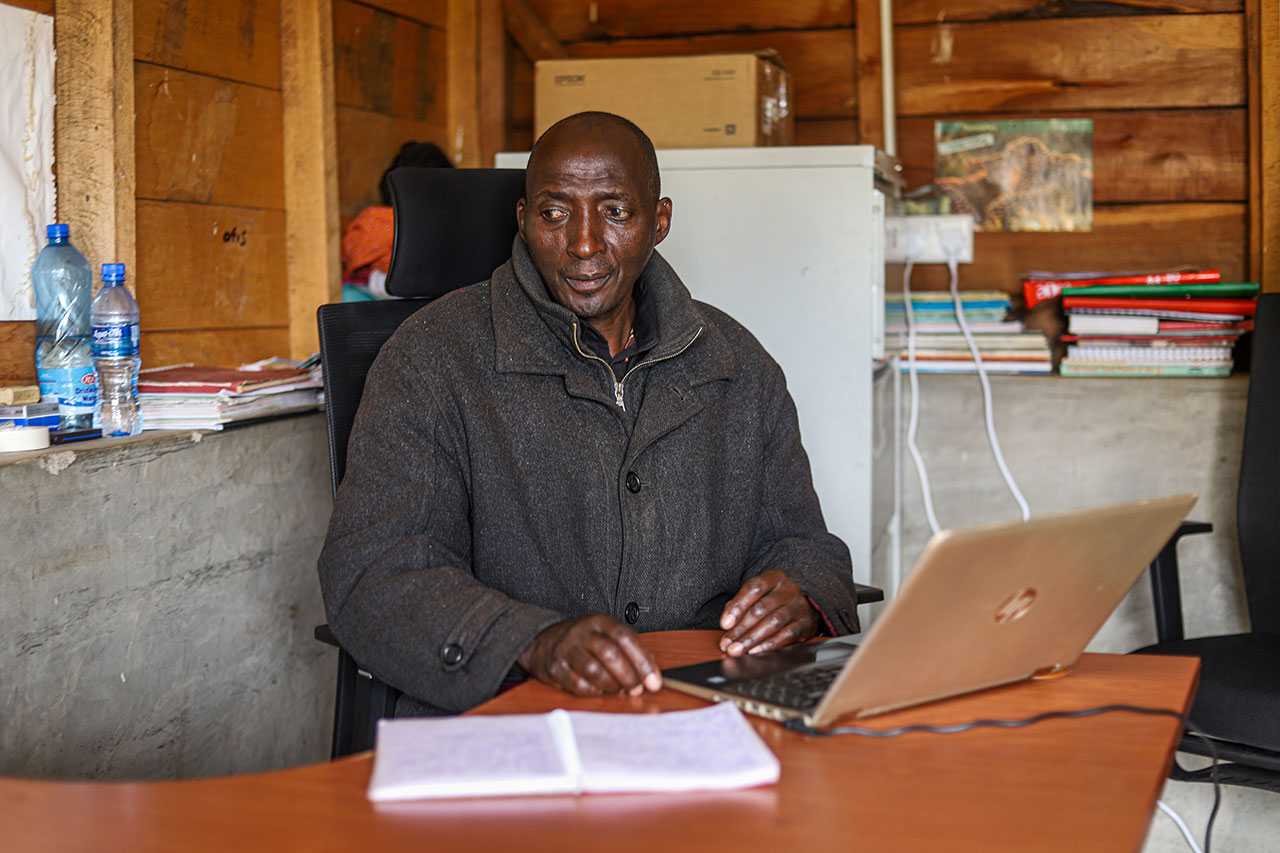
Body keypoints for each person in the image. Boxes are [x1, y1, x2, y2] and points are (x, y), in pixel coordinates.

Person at [318, 112, 859, 716]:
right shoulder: (432, 360)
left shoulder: (737, 363)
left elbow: (807, 545)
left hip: (707, 715)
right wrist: (530, 641)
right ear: (523, 223)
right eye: (554, 212)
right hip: (512, 724)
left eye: (616, 211)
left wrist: (802, 595)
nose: (582, 243)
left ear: (660, 222)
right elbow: (373, 573)